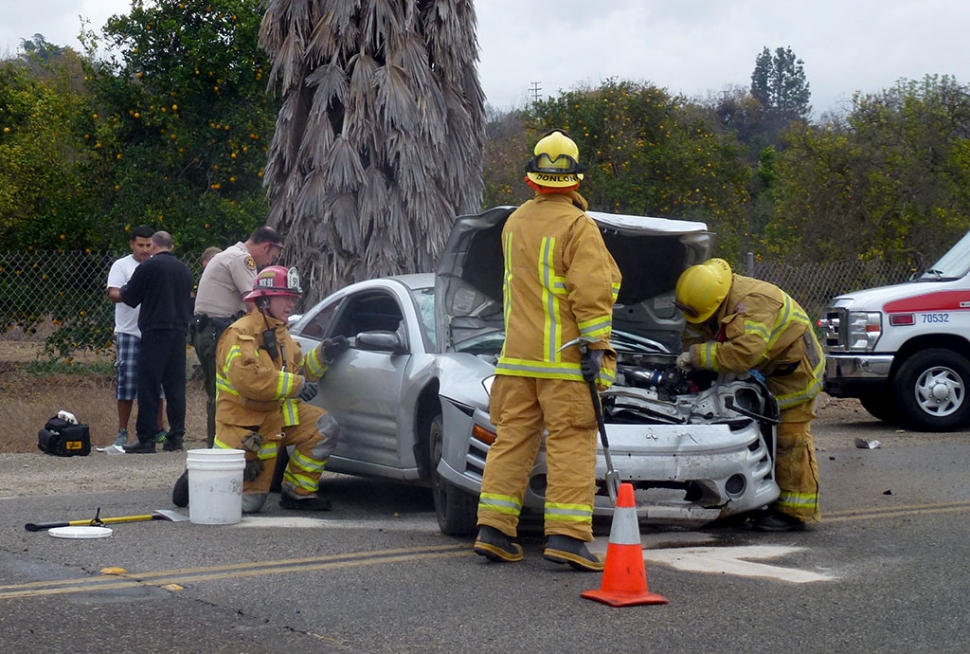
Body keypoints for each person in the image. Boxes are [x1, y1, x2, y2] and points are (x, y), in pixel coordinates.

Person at [474, 129, 622, 571]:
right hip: (565, 362)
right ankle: (568, 538)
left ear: (533, 180)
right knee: (571, 443)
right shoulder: (579, 226)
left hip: (516, 361)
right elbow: (592, 294)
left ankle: (493, 530)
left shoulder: (514, 222)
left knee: (512, 442)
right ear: (575, 182)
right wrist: (597, 347)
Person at [673, 258, 825, 532]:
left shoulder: (754, 302)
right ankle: (735, 497)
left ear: (718, 301)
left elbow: (744, 353)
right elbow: (695, 330)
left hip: (793, 373)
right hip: (763, 371)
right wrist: (693, 362)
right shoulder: (711, 298)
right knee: (737, 431)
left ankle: (795, 511)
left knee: (790, 439)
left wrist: (695, 357)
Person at [213, 265, 348, 513]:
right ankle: (201, 477)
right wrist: (296, 386)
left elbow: (300, 372)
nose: (291, 304)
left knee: (323, 426)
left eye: (293, 298)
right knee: (248, 506)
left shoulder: (282, 334)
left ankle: (298, 493)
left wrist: (324, 354)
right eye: (285, 297)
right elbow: (249, 380)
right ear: (264, 301)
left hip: (276, 420)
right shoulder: (240, 335)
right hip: (245, 428)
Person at [193, 227, 284, 447]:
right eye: (272, 256)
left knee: (217, 393)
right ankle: (221, 448)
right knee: (225, 395)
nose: (268, 262)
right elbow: (253, 302)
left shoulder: (228, 254)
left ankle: (217, 445)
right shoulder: (242, 259)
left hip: (207, 330)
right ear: (265, 246)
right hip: (219, 331)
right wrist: (271, 330)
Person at [120, 231, 194, 454]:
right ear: (171, 246)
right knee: (175, 386)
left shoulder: (148, 267)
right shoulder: (184, 269)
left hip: (155, 330)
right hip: (179, 331)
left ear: (153, 246)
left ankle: (146, 438)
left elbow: (130, 296)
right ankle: (176, 436)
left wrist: (123, 290)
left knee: (149, 385)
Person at [106, 225, 166, 448]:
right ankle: (122, 431)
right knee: (127, 382)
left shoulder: (159, 265)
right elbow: (113, 292)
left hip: (153, 330)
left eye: (148, 245)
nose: (144, 249)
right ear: (132, 244)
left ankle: (159, 429)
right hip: (130, 331)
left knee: (156, 383)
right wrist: (135, 292)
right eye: (140, 245)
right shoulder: (122, 265)